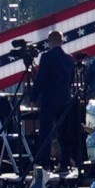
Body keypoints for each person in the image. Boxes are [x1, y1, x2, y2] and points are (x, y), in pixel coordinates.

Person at [31, 31, 77, 169]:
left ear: (49, 41)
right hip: (64, 99)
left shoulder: (46, 57)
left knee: (46, 132)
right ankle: (65, 162)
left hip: (49, 99)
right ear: (62, 41)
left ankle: (45, 163)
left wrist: (33, 97)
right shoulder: (69, 59)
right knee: (64, 132)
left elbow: (41, 79)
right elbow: (71, 80)